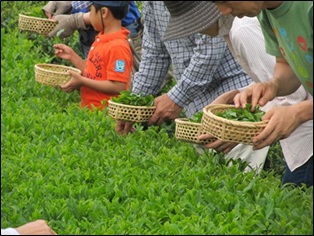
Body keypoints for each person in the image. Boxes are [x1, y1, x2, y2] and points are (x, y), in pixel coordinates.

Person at [163, 1, 313, 187]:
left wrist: (298, 113)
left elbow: (295, 100)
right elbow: (287, 67)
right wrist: (271, 85)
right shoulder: (266, 14)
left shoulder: (304, 8)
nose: (223, 10)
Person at [115, 1, 252, 135]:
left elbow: (209, 51)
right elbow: (155, 52)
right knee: (209, 154)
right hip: (195, 103)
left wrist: (176, 98)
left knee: (243, 148)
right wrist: (133, 107)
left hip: (233, 89)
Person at [53, 1, 133, 110]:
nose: (89, 15)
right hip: (90, 110)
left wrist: (82, 81)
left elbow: (118, 87)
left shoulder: (118, 47)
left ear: (104, 12)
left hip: (103, 114)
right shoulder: (102, 37)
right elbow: (94, 73)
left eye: (90, 11)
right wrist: (72, 56)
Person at [43, 1, 142, 58]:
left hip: (120, 27)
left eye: (90, 9)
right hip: (90, 30)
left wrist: (76, 21)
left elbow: (117, 86)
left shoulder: (119, 46)